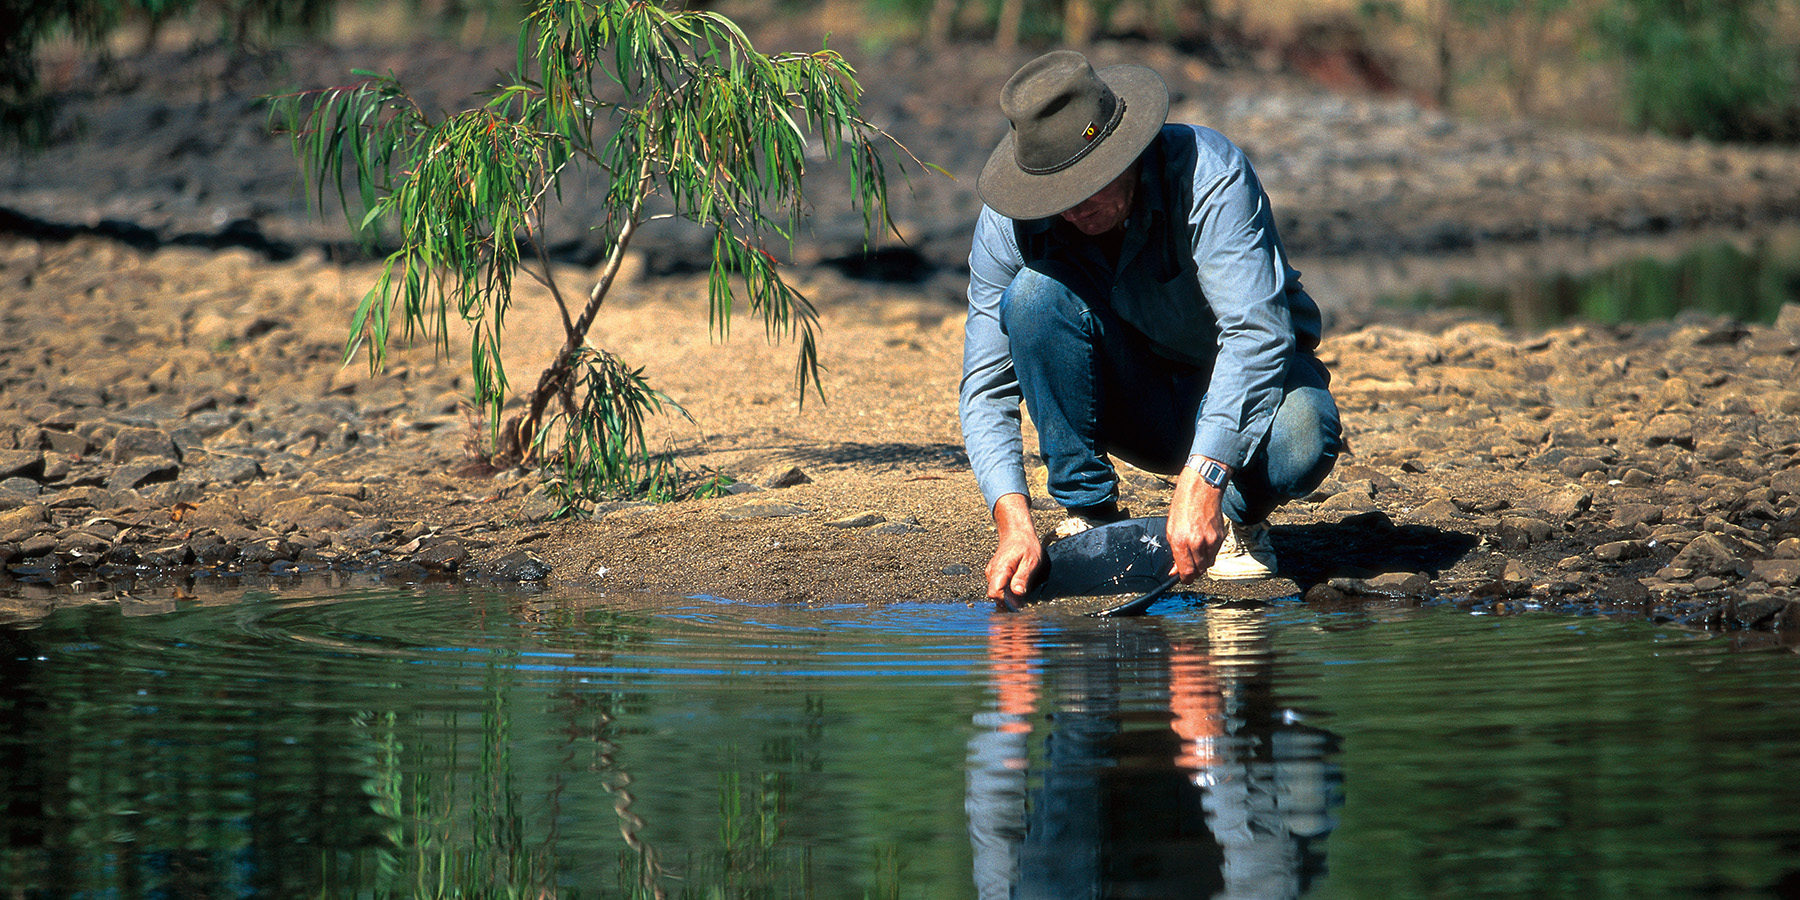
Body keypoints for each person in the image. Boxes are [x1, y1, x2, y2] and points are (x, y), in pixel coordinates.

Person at [960, 50, 1343, 604]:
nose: (1072, 211)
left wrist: (1207, 476)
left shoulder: (1211, 173)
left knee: (1308, 430)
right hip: (1129, 399)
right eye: (1057, 196)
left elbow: (1258, 337)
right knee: (1033, 295)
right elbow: (984, 386)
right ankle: (1090, 516)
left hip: (1243, 398)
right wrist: (1012, 519)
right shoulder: (1008, 223)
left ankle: (1236, 517)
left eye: (1088, 187)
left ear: (1127, 155)